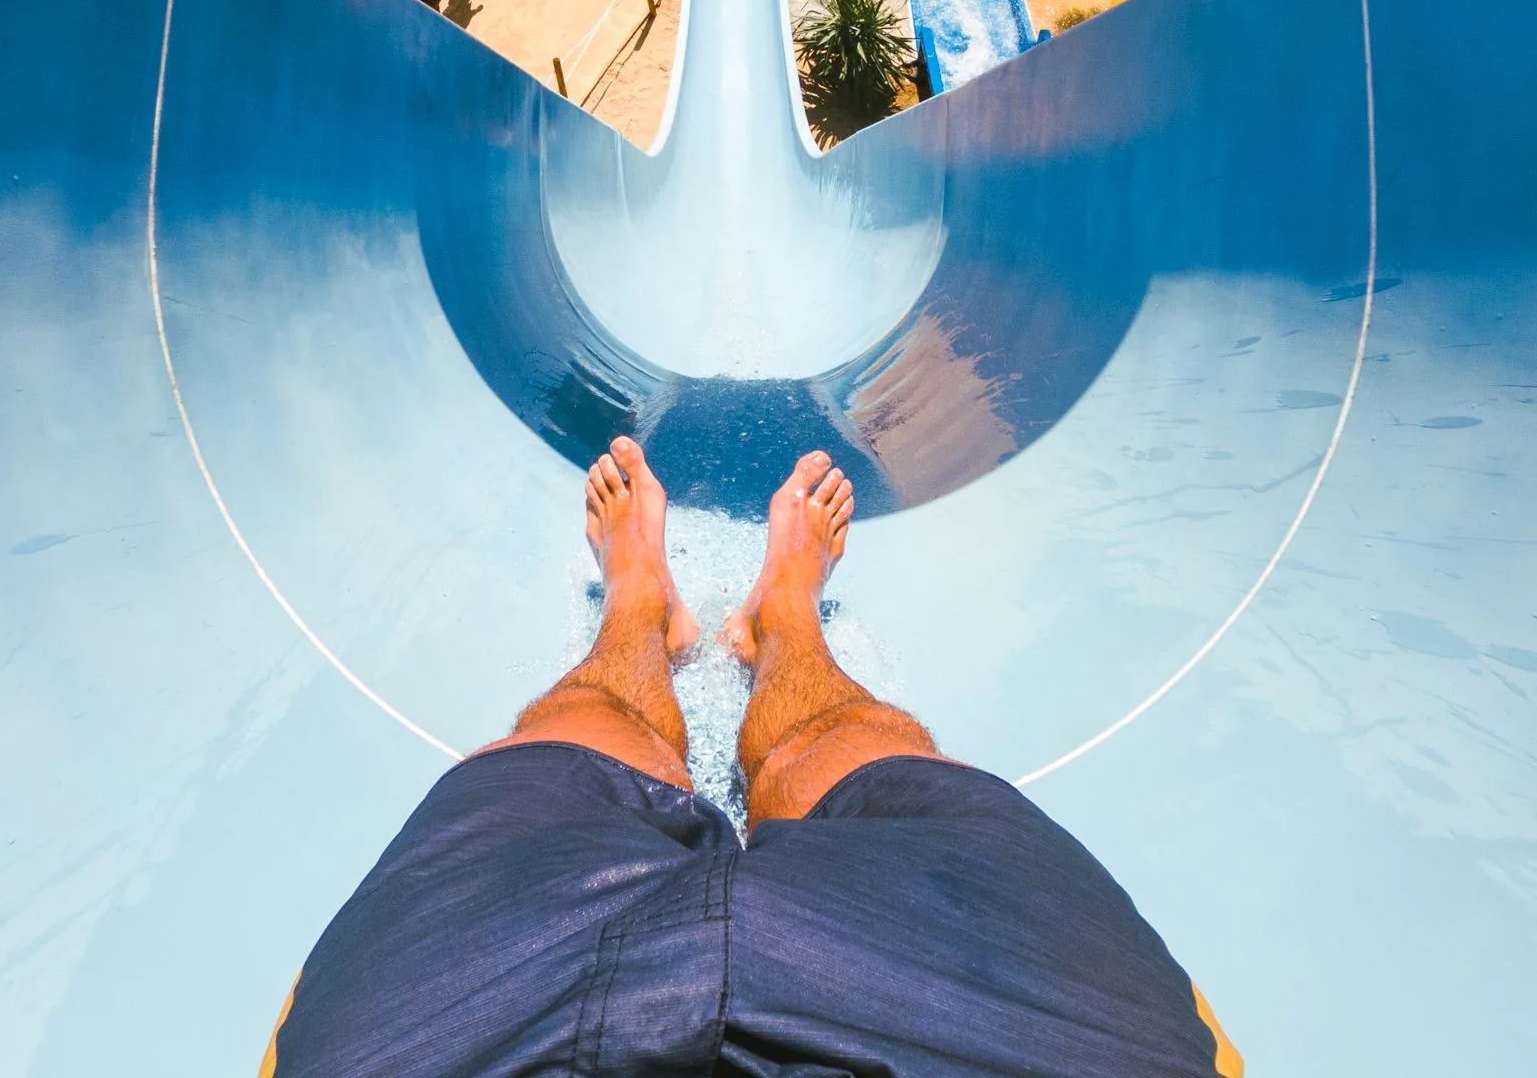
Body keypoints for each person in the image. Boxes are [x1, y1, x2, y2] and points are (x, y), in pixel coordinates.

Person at [259, 443, 1243, 1078]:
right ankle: (783, 621)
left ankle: (641, 602)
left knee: (585, 727)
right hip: (991, 1037)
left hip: (481, 1039)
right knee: (846, 755)